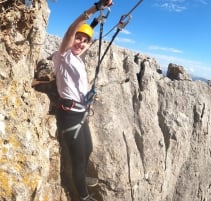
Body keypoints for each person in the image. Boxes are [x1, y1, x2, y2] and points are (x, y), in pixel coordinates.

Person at [52, 1, 112, 200]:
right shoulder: (63, 56)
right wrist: (96, 7)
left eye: (84, 41)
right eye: (78, 39)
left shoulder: (77, 57)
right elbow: (72, 30)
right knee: (78, 161)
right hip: (69, 115)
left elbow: (85, 36)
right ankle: (84, 197)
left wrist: (95, 22)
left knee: (89, 150)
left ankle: (81, 178)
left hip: (80, 112)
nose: (80, 43)